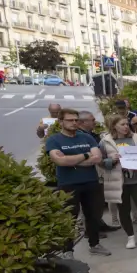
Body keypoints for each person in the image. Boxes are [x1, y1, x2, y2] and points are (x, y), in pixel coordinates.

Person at [46, 108, 111, 257]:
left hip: (91, 181)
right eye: (70, 120)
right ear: (61, 121)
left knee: (93, 216)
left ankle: (94, 244)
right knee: (69, 218)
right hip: (68, 184)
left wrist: (71, 161)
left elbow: (97, 158)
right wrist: (85, 155)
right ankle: (67, 250)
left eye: (76, 120)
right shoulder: (54, 140)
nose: (74, 123)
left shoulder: (86, 138)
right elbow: (59, 161)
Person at [99, 115, 137, 249]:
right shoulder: (105, 141)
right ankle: (130, 237)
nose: (126, 127)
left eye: (127, 124)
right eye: (122, 124)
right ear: (114, 126)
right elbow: (100, 162)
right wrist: (111, 160)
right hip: (119, 182)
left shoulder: (136, 138)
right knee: (124, 210)